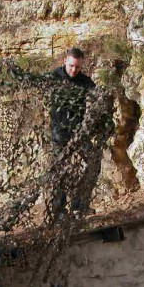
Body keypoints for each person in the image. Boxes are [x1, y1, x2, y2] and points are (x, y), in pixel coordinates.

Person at [47, 47, 96, 214]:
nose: (74, 70)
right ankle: (59, 211)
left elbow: (96, 94)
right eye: (71, 66)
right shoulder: (54, 77)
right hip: (59, 133)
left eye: (78, 67)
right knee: (60, 171)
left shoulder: (85, 81)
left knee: (93, 161)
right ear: (65, 62)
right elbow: (38, 83)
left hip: (78, 132)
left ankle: (80, 205)